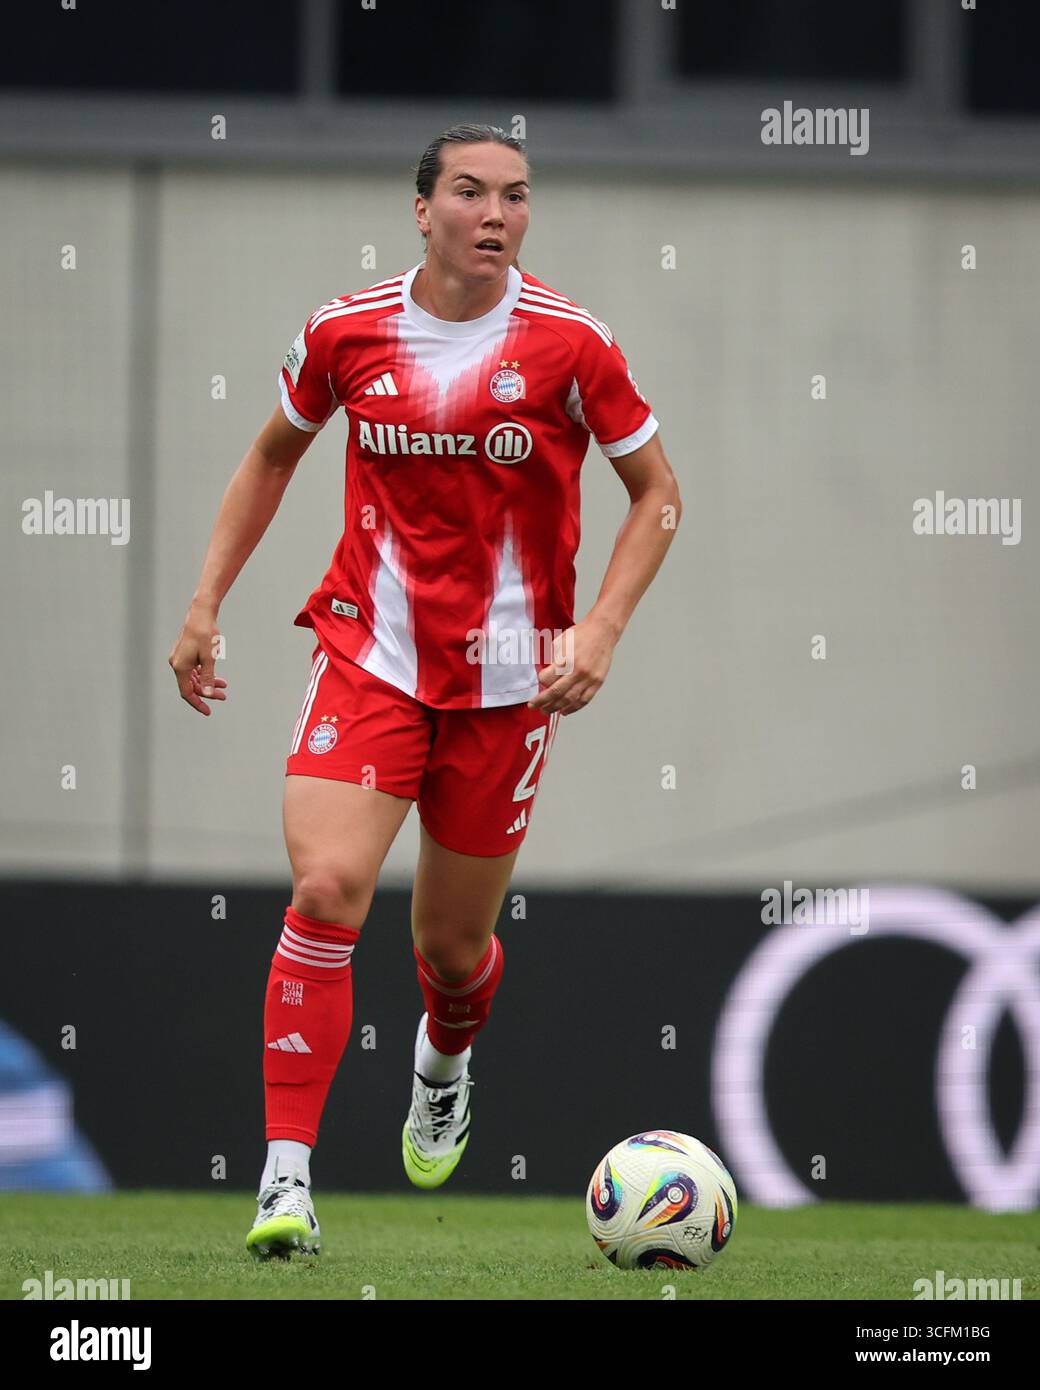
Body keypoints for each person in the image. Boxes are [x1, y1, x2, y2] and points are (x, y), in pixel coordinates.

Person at [168, 123, 681, 1260]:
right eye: (469, 191)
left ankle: (441, 1064)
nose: (495, 213)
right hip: (370, 656)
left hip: (507, 684)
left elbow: (656, 494)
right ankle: (284, 1184)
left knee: (450, 952)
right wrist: (204, 603)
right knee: (327, 885)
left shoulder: (570, 346)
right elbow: (270, 456)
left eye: (515, 195)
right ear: (420, 208)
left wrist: (598, 628)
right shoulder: (345, 331)